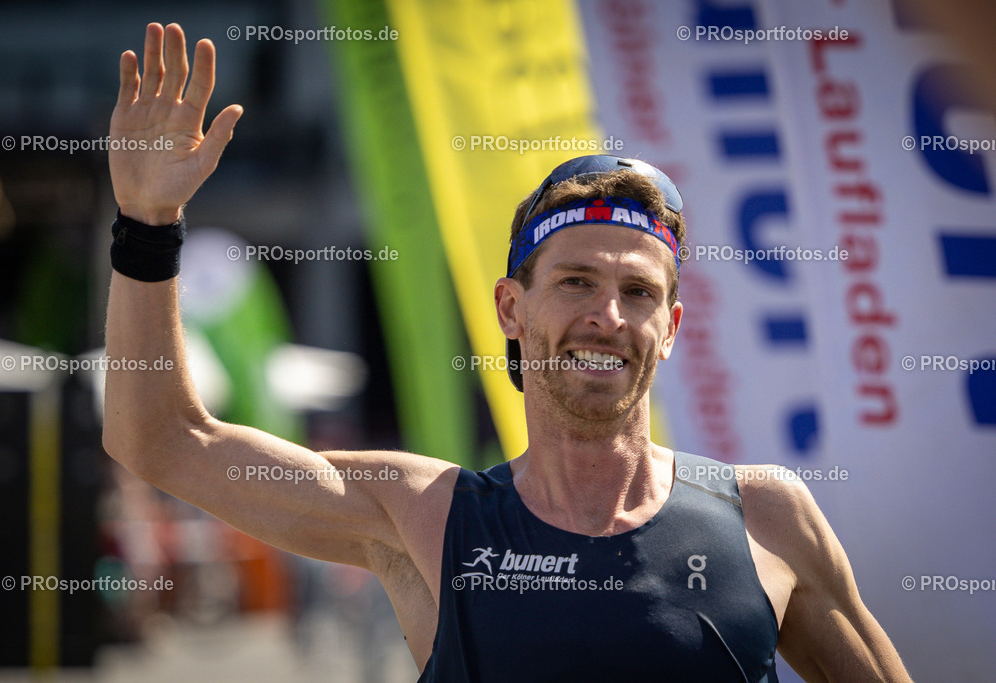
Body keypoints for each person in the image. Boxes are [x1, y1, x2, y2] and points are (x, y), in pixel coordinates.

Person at [103, 23, 913, 682]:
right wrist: (147, 225)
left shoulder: (766, 517)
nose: (606, 314)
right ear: (511, 308)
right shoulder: (425, 515)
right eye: (575, 283)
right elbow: (163, 441)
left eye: (637, 293)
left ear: (670, 326)